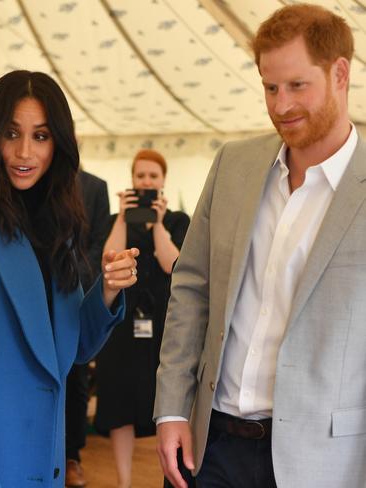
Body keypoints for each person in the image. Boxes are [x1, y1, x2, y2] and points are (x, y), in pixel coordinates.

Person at [155, 4, 363, 488]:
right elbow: (191, 290)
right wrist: (170, 410)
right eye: (270, 87)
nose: (280, 105)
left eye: (296, 86)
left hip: (322, 464)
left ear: (340, 74)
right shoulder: (233, 163)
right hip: (207, 449)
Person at [0, 70, 139, 488]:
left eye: (41, 136)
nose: (23, 151)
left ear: (59, 144)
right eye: (11, 133)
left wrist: (107, 290)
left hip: (42, 457)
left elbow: (69, 349)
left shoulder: (59, 222)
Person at [94, 150, 189, 488]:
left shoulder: (177, 221)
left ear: (163, 181)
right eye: (141, 176)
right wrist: (122, 218)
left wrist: (159, 225)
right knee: (120, 403)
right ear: (132, 179)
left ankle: (170, 478)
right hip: (121, 323)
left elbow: (172, 265)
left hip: (164, 325)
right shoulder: (113, 220)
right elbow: (110, 260)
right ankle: (123, 482)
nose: (147, 182)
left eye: (153, 177)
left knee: (166, 402)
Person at [64, 169, 111, 487]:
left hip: (80, 288)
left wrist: (79, 272)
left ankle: (72, 457)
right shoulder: (35, 178)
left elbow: (99, 241)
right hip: (41, 286)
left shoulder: (96, 186)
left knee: (77, 376)